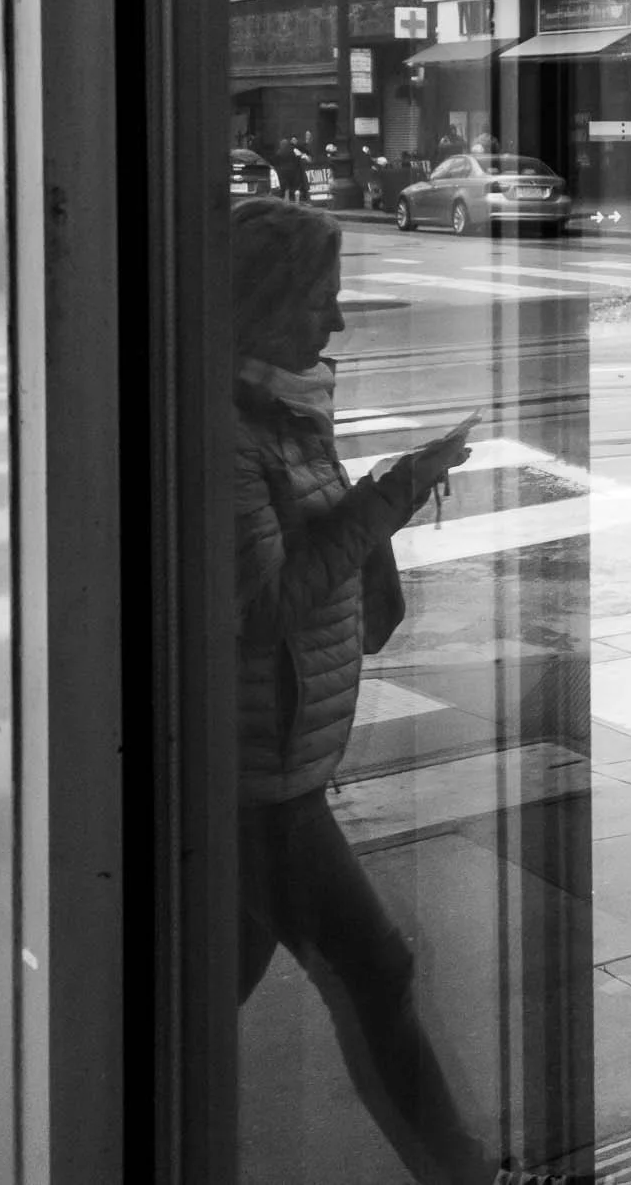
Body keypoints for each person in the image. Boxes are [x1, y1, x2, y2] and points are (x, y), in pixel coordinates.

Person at [230, 197, 505, 1184]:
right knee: (376, 969)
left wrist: (389, 503)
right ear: (260, 307)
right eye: (319, 302)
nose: (336, 324)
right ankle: (462, 1173)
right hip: (263, 777)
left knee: (211, 980)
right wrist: (390, 493)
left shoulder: (283, 405)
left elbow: (335, 564)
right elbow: (265, 605)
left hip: (281, 761)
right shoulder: (230, 431)